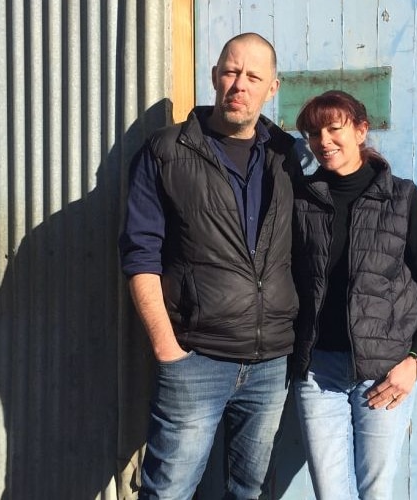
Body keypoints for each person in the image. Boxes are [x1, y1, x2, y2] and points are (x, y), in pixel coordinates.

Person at [118, 32, 301, 499]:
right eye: (231, 71)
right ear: (215, 75)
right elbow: (140, 253)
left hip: (269, 364)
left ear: (272, 88)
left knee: (250, 491)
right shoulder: (167, 151)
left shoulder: (287, 157)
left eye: (253, 76)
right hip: (195, 359)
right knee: (168, 491)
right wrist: (166, 347)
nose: (240, 84)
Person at [291, 90, 417, 499]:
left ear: (360, 130)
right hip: (318, 372)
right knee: (331, 494)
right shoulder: (302, 199)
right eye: (312, 133)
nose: (323, 141)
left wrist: (416, 361)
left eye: (333, 128)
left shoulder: (401, 197)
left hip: (383, 372)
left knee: (375, 492)